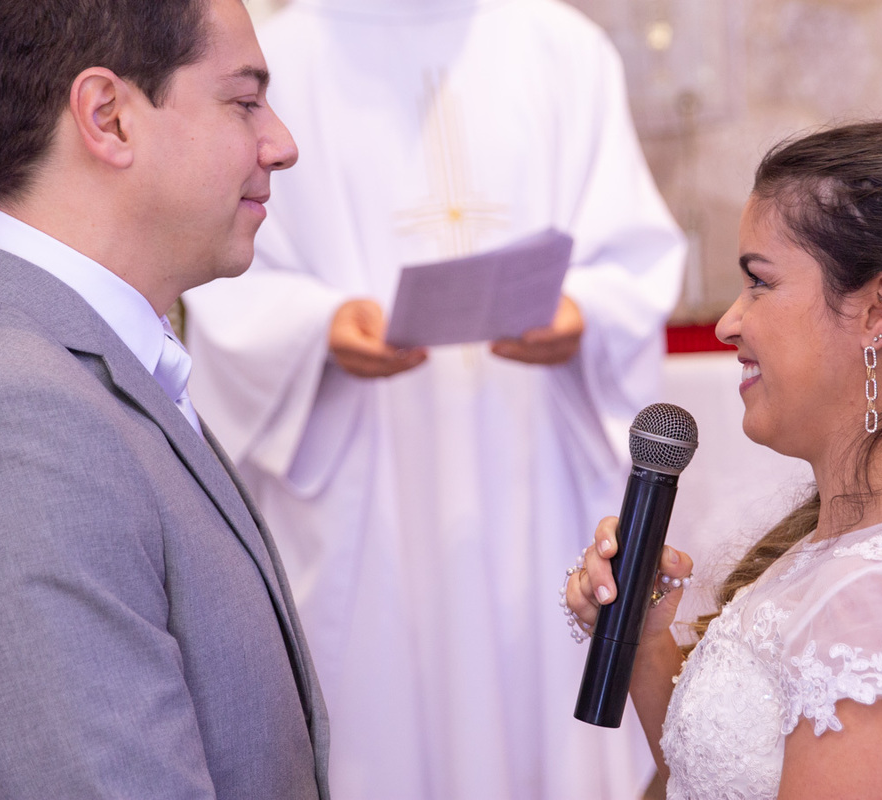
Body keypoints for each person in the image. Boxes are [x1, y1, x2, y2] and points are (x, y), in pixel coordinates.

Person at [180, 0, 685, 797]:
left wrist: (583, 313)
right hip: (365, 484)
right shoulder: (279, 58)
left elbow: (635, 258)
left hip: (534, 471)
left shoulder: (562, 49)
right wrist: (318, 328)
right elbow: (220, 274)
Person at [0, 0, 330, 797]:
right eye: (243, 101)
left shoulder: (74, 363)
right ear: (108, 117)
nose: (281, 143)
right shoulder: (8, 416)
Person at [565, 120, 882, 799]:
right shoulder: (867, 549)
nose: (728, 323)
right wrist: (644, 637)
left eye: (759, 282)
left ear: (877, 310)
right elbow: (722, 781)